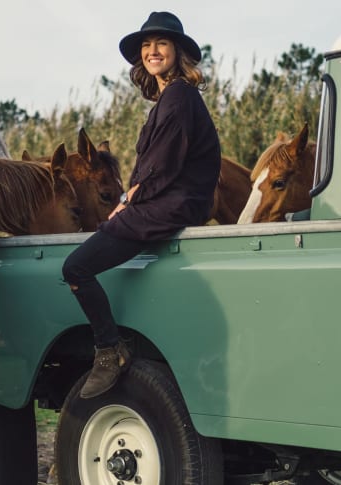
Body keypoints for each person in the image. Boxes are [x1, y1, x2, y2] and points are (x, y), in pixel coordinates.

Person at [62, 11, 222, 399]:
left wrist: (127, 201)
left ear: (177, 52)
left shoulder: (180, 95)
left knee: (76, 266)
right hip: (170, 201)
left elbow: (163, 163)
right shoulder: (171, 97)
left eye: (161, 44)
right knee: (95, 247)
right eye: (147, 46)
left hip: (172, 203)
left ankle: (108, 349)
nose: (153, 51)